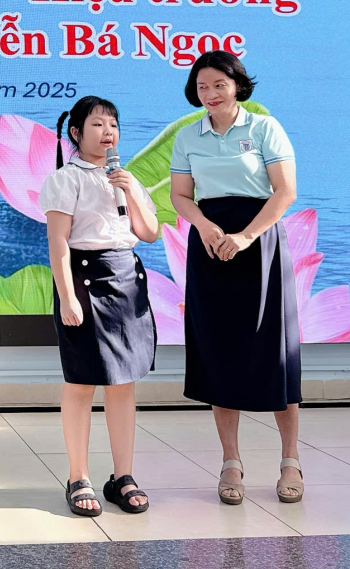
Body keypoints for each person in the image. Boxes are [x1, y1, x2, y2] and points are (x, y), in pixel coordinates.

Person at [169, 50, 302, 506]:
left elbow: (285, 192)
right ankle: (230, 462)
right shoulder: (188, 136)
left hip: (259, 241)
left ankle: (290, 460)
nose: (210, 94)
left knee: (274, 350)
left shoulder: (264, 128)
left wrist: (246, 236)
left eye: (218, 85)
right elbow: (181, 197)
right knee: (219, 352)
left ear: (237, 85)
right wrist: (205, 226)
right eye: (202, 87)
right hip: (209, 244)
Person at [40, 94, 160, 517]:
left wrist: (131, 190)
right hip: (84, 279)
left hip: (126, 279)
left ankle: (122, 477)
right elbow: (58, 242)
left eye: (113, 124)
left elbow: (149, 233)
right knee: (81, 381)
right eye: (97, 124)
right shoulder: (65, 178)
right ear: (76, 133)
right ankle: (78, 476)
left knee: (123, 382)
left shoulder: (125, 177)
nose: (108, 132)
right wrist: (68, 296)